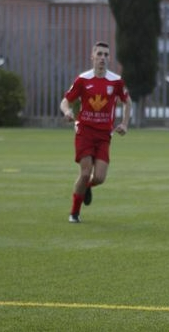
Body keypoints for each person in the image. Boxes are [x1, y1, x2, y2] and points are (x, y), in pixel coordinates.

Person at [59, 41, 132, 223]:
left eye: (106, 55)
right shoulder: (83, 79)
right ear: (92, 57)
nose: (102, 58)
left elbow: (127, 102)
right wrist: (67, 112)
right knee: (85, 173)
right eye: (99, 54)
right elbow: (65, 101)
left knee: (98, 177)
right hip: (84, 131)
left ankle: (86, 187)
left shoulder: (115, 81)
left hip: (104, 135)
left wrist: (124, 124)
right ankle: (74, 213)